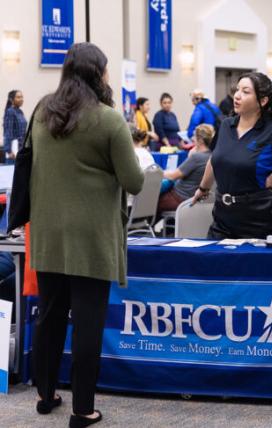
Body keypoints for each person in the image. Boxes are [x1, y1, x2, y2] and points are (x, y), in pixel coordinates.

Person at [30, 42, 144, 427]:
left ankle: (45, 395)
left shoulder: (41, 111)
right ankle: (82, 410)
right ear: (98, 74)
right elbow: (134, 180)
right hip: (92, 238)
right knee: (88, 323)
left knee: (49, 317)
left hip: (47, 233)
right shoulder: (109, 119)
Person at [193, 72, 272, 238]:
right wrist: (203, 188)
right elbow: (214, 160)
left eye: (246, 92)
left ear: (263, 101)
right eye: (237, 90)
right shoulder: (225, 125)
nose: (237, 95)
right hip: (223, 217)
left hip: (261, 219)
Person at [158, 124, 214, 213]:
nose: (192, 139)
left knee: (152, 201)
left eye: (194, 136)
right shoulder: (211, 156)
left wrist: (158, 173)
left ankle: (143, 224)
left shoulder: (196, 157)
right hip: (193, 198)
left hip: (180, 197)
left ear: (200, 140)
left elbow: (173, 176)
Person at [3, 90, 27, 164]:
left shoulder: (20, 111)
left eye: (22, 97)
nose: (21, 99)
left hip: (21, 147)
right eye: (18, 97)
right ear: (12, 99)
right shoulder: (10, 112)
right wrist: (9, 151)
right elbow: (8, 132)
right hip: (13, 149)